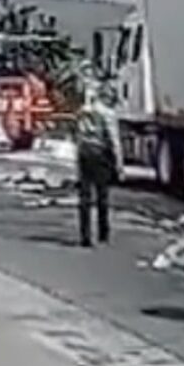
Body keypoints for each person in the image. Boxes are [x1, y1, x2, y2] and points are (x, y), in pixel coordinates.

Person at [75, 82, 122, 248]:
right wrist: (119, 164)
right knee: (102, 196)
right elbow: (114, 140)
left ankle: (85, 236)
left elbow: (78, 133)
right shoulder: (107, 114)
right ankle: (103, 233)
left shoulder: (83, 112)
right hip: (100, 154)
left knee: (84, 197)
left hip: (84, 152)